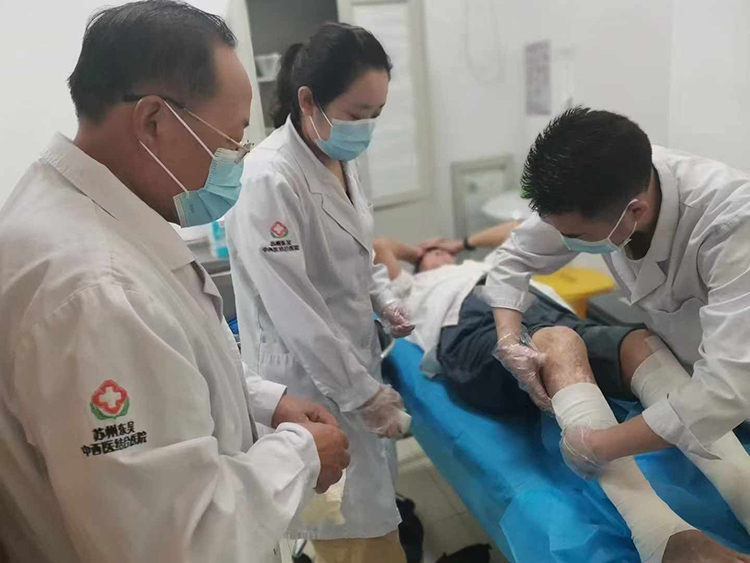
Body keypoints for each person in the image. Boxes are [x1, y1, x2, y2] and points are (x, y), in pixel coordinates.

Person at [0, 3, 351, 562]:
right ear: (154, 122)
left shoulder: (69, 214)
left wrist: (266, 401)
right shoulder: (96, 290)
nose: (237, 159)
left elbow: (169, 373)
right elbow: (179, 541)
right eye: (231, 138)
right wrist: (301, 454)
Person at [375, 225, 750, 562]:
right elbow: (381, 244)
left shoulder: (487, 264)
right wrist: (419, 253)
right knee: (558, 342)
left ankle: (744, 488)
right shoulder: (412, 286)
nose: (440, 255)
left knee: (642, 343)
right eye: (431, 255)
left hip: (546, 312)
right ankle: (662, 535)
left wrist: (461, 242)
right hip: (470, 330)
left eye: (441, 252)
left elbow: (521, 230)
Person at [484, 107, 750, 551]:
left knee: (593, 344)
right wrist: (510, 339)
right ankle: (665, 535)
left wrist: (602, 445)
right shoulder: (595, 185)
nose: (565, 242)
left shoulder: (732, 225)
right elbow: (514, 259)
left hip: (732, 375)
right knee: (570, 341)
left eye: (575, 235)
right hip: (694, 372)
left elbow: (723, 391)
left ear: (635, 210)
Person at [225, 22, 412, 562]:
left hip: (351, 366)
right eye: (358, 113)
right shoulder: (268, 178)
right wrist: (364, 396)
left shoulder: (340, 157)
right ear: (308, 101)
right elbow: (294, 309)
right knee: (349, 531)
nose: (367, 128)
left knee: (366, 523)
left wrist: (384, 299)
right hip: (309, 385)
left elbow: (358, 250)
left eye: (377, 114)